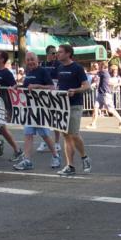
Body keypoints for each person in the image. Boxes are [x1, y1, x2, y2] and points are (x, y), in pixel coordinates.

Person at [12, 51, 62, 171]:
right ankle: (27, 160)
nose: (30, 62)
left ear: (37, 60)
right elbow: (27, 87)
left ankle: (56, 156)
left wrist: (38, 86)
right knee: (28, 134)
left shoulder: (43, 71)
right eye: (28, 59)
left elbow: (52, 87)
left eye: (32, 59)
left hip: (41, 109)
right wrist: (18, 87)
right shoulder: (28, 72)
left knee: (45, 135)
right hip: (30, 109)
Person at [55, 44, 92, 176]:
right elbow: (58, 85)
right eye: (58, 52)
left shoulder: (77, 67)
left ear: (68, 53)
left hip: (75, 105)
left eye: (60, 52)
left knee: (74, 134)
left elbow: (87, 86)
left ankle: (84, 157)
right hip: (62, 106)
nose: (58, 54)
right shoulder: (59, 68)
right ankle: (70, 166)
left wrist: (75, 91)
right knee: (66, 136)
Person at [38, 45, 62, 155]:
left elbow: (60, 78)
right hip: (44, 93)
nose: (55, 55)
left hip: (55, 93)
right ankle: (45, 141)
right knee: (44, 118)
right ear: (47, 54)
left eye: (56, 53)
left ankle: (57, 143)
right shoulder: (42, 64)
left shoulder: (58, 64)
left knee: (55, 118)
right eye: (53, 53)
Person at [89, 61, 121, 129]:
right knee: (95, 108)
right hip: (100, 93)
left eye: (100, 65)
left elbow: (94, 72)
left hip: (106, 94)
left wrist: (86, 72)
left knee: (110, 110)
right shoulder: (104, 72)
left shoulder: (104, 72)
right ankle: (93, 124)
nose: (98, 67)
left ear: (103, 66)